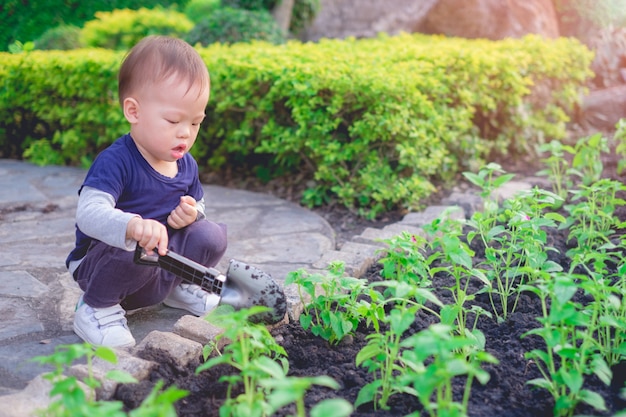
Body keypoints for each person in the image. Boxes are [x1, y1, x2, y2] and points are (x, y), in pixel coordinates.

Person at [66, 35, 228, 348]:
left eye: (195, 123)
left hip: (160, 265)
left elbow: (199, 203)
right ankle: (95, 308)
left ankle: (179, 287)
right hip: (106, 266)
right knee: (133, 248)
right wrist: (130, 225)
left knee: (210, 235)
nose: (186, 132)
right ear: (134, 111)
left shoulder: (185, 164)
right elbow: (88, 214)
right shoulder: (116, 161)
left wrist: (191, 214)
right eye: (173, 120)